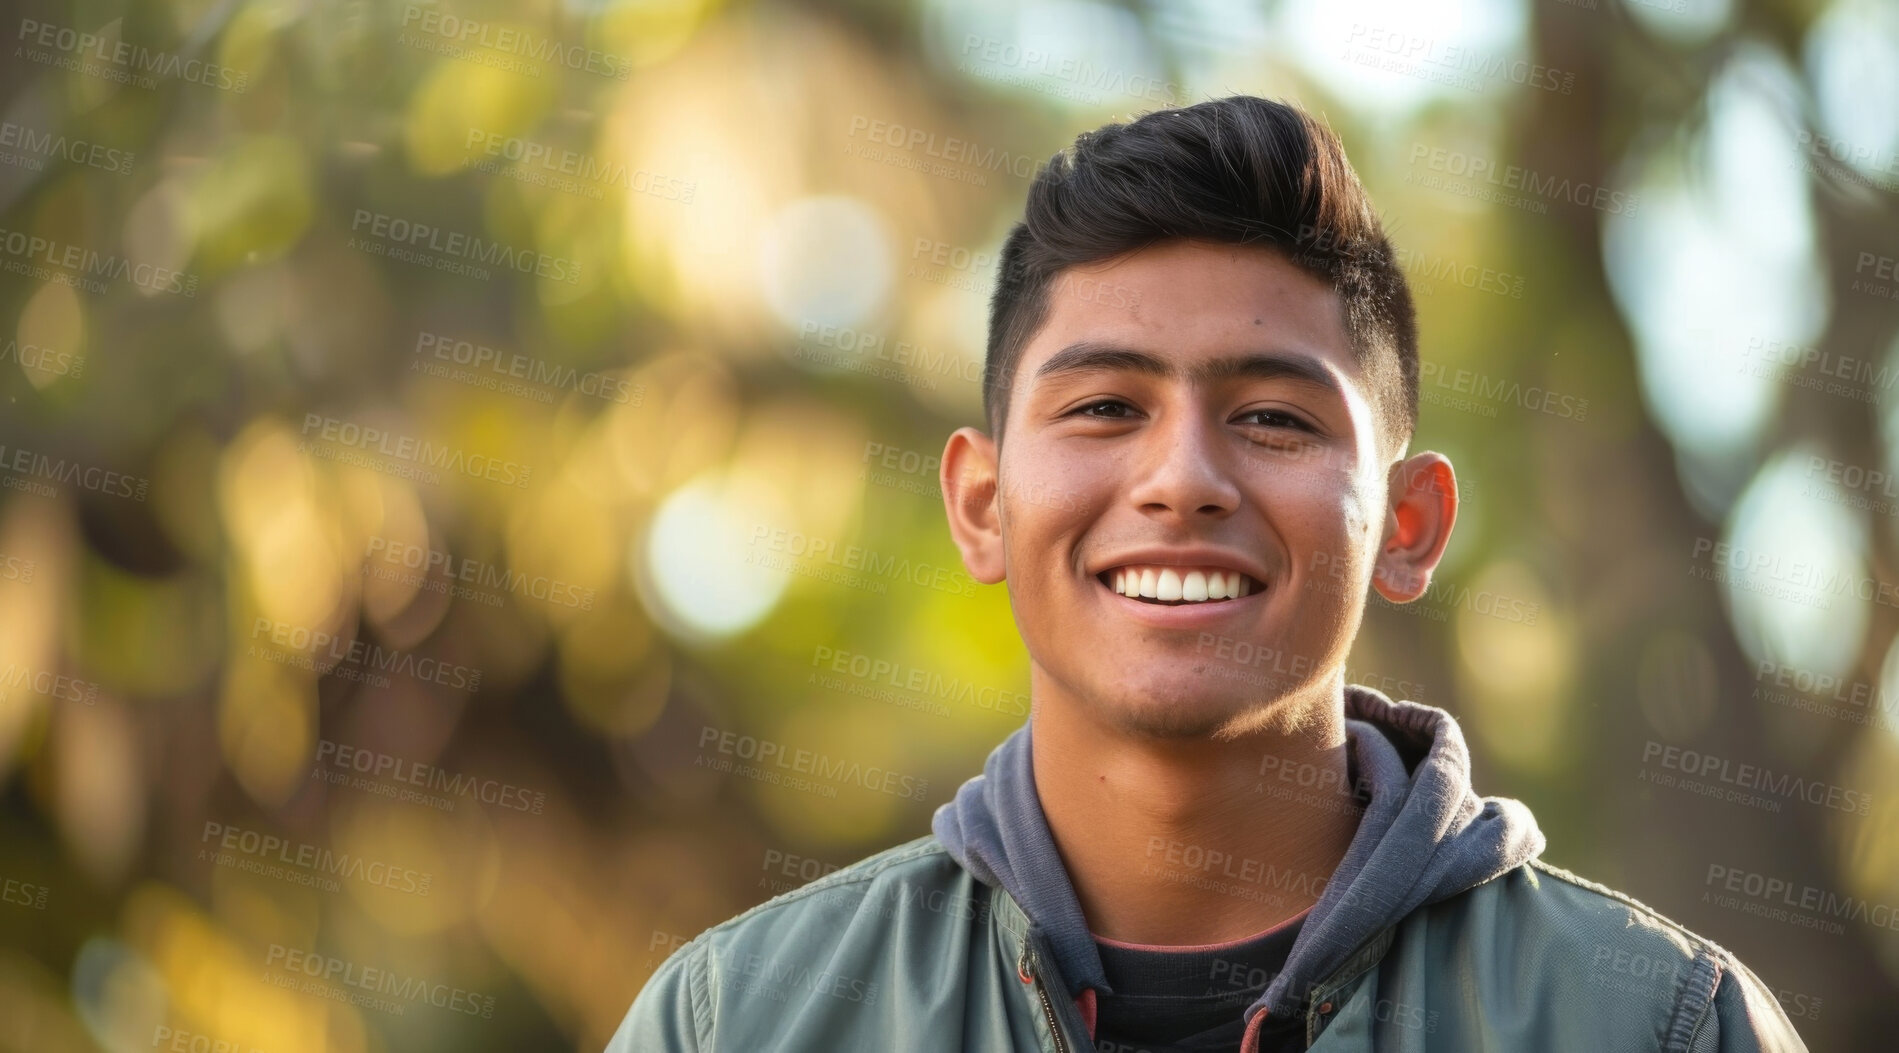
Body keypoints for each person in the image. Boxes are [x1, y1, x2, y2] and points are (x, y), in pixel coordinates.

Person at [607, 94, 1807, 1052]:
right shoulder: (735, 1021)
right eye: (1106, 405)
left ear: (1408, 523)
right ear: (982, 503)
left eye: (1276, 419)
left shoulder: (1660, 1025)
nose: (1183, 479)